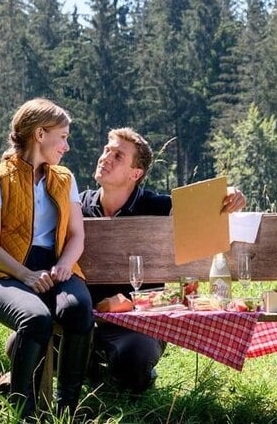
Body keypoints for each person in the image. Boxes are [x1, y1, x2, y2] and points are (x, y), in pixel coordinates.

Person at [80, 127, 246, 393]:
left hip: (141, 324)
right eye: (106, 150)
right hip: (84, 320)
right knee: (18, 344)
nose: (105, 157)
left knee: (136, 354)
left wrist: (230, 192)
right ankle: (98, 376)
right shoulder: (76, 206)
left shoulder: (156, 206)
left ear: (136, 173)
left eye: (118, 156)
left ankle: (122, 376)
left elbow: (205, 205)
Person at [0, 98, 94, 419]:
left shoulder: (65, 178)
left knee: (79, 309)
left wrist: (67, 264)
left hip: (57, 271)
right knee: (36, 318)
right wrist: (26, 275)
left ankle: (67, 409)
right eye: (64, 136)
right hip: (4, 276)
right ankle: (23, 411)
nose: (67, 146)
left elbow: (76, 236)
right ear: (40, 134)